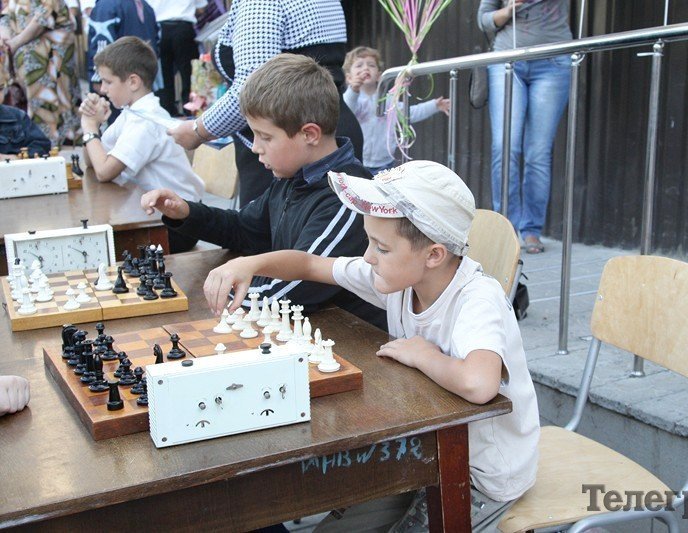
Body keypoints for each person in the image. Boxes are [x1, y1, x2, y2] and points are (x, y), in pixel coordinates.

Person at [203, 160, 540, 531]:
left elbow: (480, 383)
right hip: (424, 447)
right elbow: (312, 265)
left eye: (381, 247)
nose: (367, 257)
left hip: (482, 473)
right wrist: (250, 263)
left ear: (433, 255)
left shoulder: (477, 299)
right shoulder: (401, 279)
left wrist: (424, 355)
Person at [142, 54, 385, 329]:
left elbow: (295, 288)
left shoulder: (348, 197)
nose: (255, 147)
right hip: (302, 329)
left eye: (265, 137)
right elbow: (245, 229)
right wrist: (186, 212)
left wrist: (216, 291)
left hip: (352, 343)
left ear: (310, 134)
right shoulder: (293, 177)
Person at [167, 0, 364, 207]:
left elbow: (252, 90)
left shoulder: (262, 3)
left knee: (274, 236)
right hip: (323, 131)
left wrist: (198, 130)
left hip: (289, 143)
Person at [79, 36, 204, 253]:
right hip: (158, 217)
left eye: (108, 82)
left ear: (133, 82)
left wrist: (90, 128)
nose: (102, 90)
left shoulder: (145, 120)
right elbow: (92, 162)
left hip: (179, 225)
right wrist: (93, 126)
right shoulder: (132, 113)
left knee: (103, 250)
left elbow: (104, 171)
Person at [477, 0, 571, 254]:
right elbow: (483, 19)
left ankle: (531, 230)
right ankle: (507, 228)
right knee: (505, 146)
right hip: (507, 60)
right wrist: (508, 11)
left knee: (538, 152)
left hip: (553, 61)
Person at [343, 46, 450, 175]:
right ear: (349, 78)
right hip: (357, 161)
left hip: (385, 164)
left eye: (371, 65)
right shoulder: (353, 99)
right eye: (359, 65)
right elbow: (348, 110)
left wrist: (434, 106)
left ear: (379, 75)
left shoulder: (388, 100)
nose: (365, 68)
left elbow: (409, 113)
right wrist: (353, 90)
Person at [0, 0, 81, 146]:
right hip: (26, 64)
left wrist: (14, 43)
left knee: (52, 110)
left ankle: (51, 147)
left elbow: (43, 18)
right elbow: (6, 15)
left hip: (50, 60)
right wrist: (4, 36)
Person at [86, 0, 160, 124]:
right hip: (142, 79)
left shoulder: (106, 5)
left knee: (117, 125)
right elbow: (156, 41)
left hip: (117, 79)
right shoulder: (147, 7)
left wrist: (98, 78)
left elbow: (101, 42)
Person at [145, 0, 206, 116]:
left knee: (163, 74)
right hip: (183, 27)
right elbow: (201, 8)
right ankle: (191, 110)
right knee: (189, 73)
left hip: (159, 29)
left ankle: (168, 111)